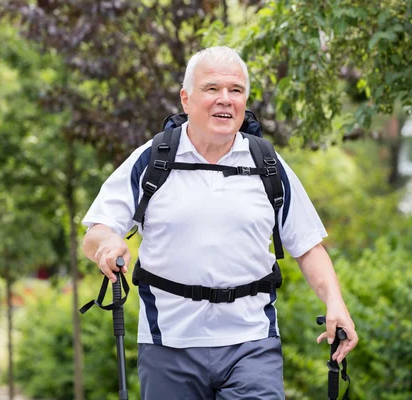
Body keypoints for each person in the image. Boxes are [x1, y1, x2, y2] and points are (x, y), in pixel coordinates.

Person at [82, 46, 358, 399]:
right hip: (168, 343)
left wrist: (335, 302)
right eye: (212, 88)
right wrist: (108, 245)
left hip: (251, 344)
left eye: (236, 90)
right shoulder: (153, 159)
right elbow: (96, 230)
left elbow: (308, 246)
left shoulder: (267, 164)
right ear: (186, 99)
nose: (225, 100)